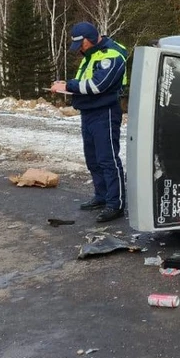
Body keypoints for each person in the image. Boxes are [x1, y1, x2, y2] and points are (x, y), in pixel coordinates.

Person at [51, 22, 129, 223]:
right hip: (89, 112)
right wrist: (67, 87)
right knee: (93, 159)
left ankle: (116, 204)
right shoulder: (92, 54)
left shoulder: (111, 55)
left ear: (90, 39)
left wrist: (68, 85)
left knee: (108, 159)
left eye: (81, 45)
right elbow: (86, 81)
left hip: (105, 113)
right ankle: (101, 196)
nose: (79, 50)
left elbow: (98, 85)